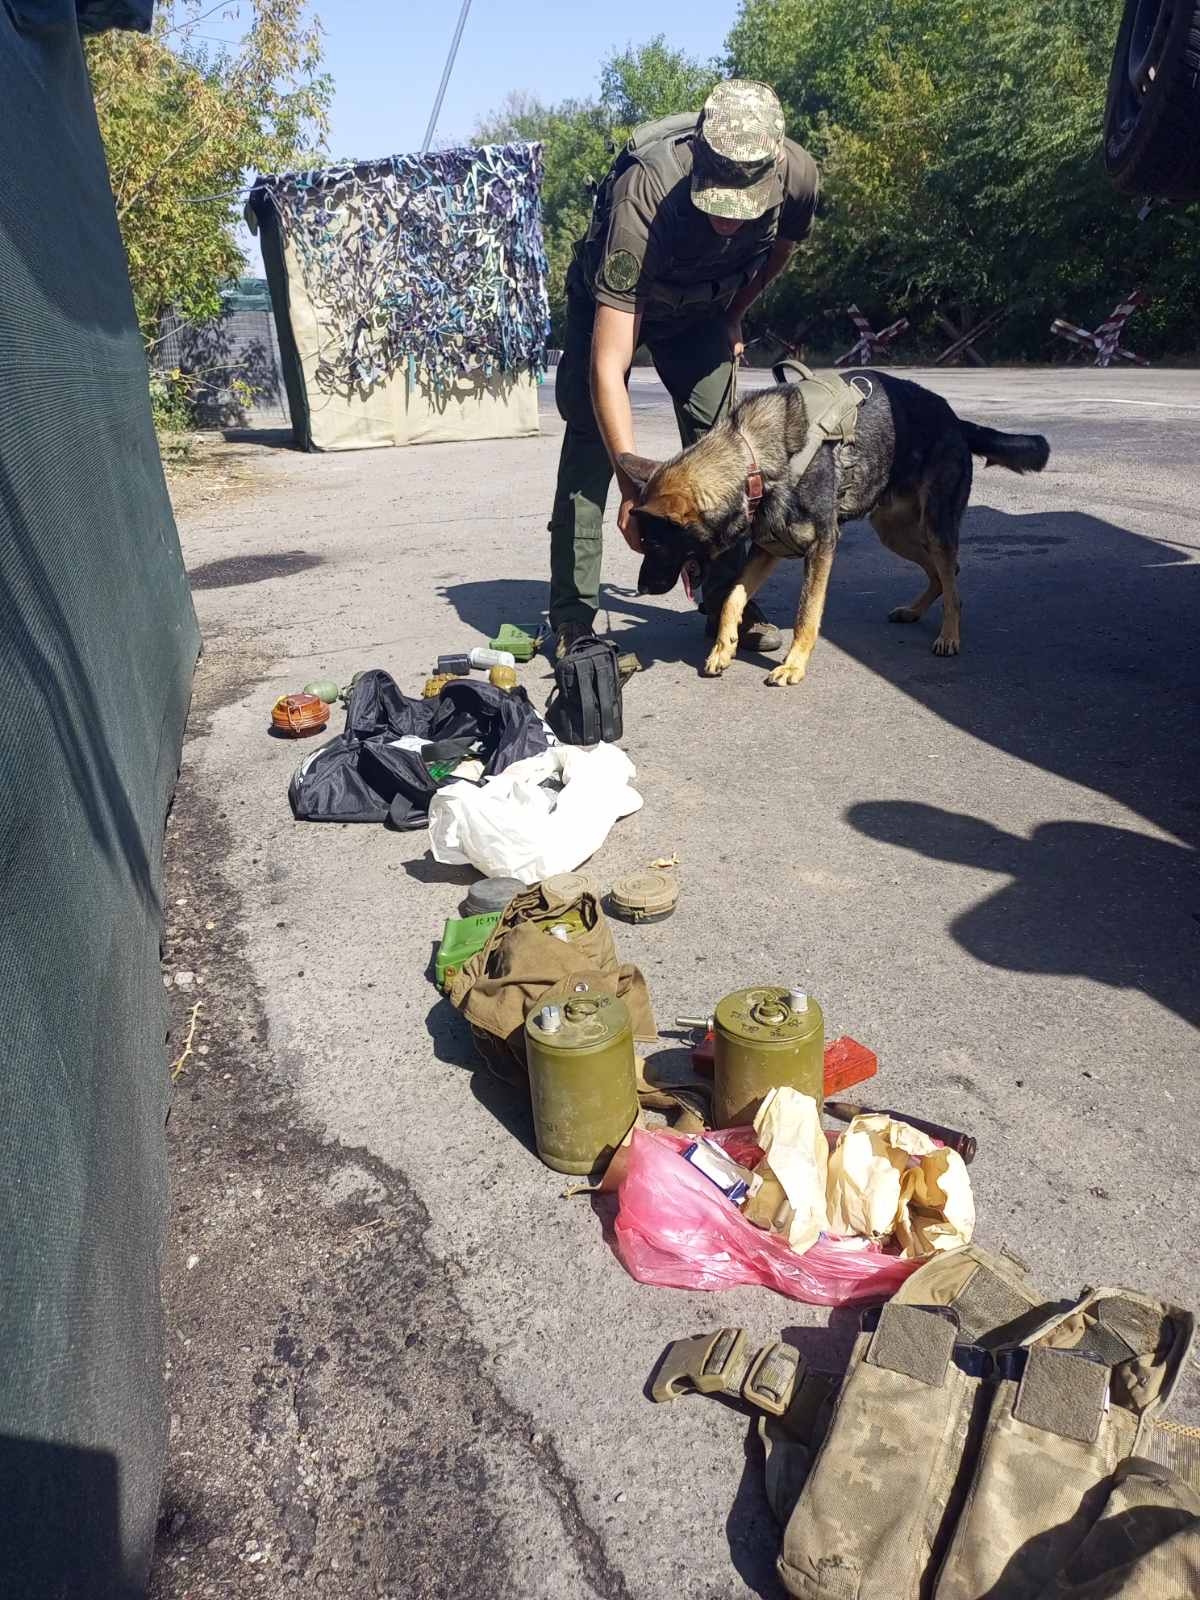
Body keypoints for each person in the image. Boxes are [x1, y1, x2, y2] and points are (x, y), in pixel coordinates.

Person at [547, 78, 820, 660]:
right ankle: (573, 616)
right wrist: (634, 489)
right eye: (716, 199)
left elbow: (779, 251)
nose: (727, 220)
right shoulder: (644, 192)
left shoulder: (797, 176)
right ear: (698, 160)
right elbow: (610, 359)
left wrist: (735, 316)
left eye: (740, 207)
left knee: (726, 451)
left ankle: (726, 603)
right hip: (616, 306)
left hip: (704, 307)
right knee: (593, 439)